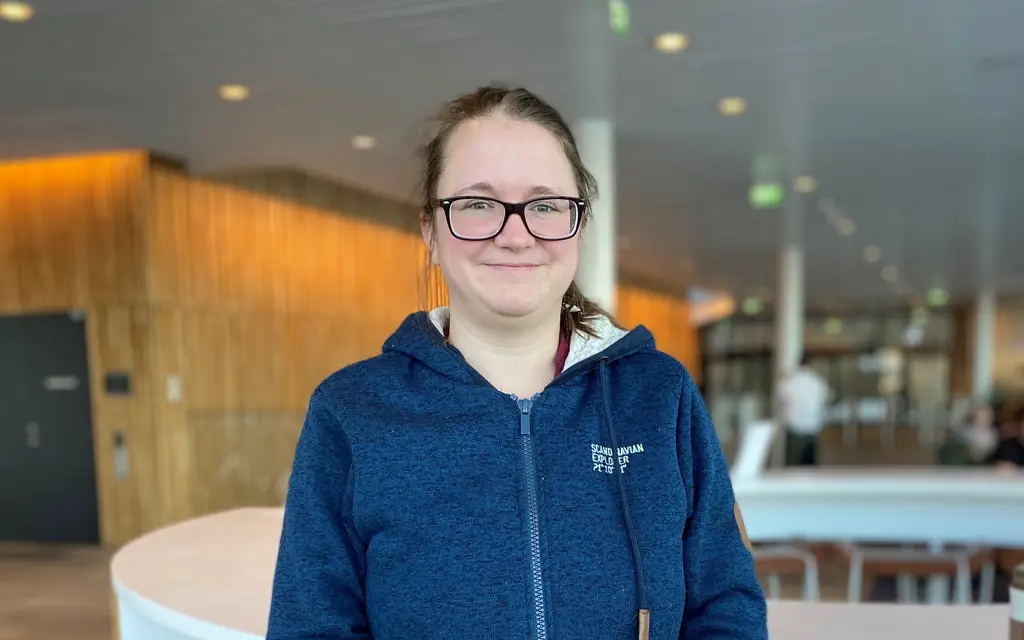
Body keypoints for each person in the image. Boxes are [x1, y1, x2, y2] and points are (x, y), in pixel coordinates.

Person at [266, 85, 767, 640]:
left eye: (546, 205)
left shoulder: (659, 395)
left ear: (578, 226)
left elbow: (726, 605)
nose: (515, 234)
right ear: (430, 231)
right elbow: (310, 626)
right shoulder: (353, 412)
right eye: (478, 204)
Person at [775, 354, 829, 466]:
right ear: (811, 365)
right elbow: (823, 402)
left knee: (793, 466)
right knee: (810, 466)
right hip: (812, 429)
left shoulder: (790, 382)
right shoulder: (817, 382)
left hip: (794, 429)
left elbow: (780, 398)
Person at [936, 401, 999, 466]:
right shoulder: (963, 436)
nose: (984, 419)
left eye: (987, 416)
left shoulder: (995, 435)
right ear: (974, 418)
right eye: (981, 416)